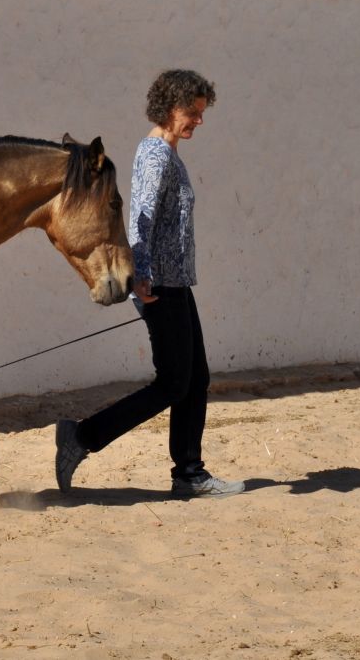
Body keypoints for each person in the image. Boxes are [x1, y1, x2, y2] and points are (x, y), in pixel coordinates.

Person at [55, 69, 244, 498]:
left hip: (175, 283)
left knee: (194, 378)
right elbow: (140, 216)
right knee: (174, 382)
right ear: (171, 107)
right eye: (193, 112)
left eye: (201, 112)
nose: (199, 120)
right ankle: (82, 437)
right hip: (158, 285)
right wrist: (141, 276)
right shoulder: (156, 154)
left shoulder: (166, 152)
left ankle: (189, 473)